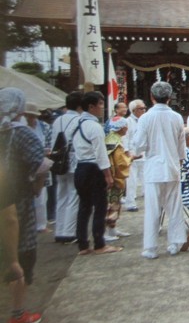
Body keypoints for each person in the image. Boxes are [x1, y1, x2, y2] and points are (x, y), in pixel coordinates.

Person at [0, 88, 45, 323]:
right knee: (21, 250)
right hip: (17, 198)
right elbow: (40, 164)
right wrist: (38, 186)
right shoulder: (21, 133)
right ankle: (17, 312)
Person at [131, 82, 186, 259]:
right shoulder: (177, 117)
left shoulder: (145, 118)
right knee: (174, 207)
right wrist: (179, 162)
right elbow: (181, 146)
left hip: (153, 168)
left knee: (152, 209)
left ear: (152, 97)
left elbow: (139, 145)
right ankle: (175, 243)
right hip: (172, 167)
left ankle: (150, 247)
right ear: (169, 97)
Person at [73, 91, 122, 255]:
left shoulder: (77, 124)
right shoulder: (94, 127)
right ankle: (99, 243)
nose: (102, 107)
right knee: (100, 206)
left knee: (84, 207)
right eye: (100, 104)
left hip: (80, 167)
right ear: (91, 107)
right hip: (94, 168)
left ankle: (83, 244)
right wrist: (108, 175)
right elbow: (101, 154)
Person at [51, 91, 82, 243]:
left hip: (58, 161)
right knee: (74, 194)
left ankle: (59, 230)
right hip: (73, 161)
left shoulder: (58, 120)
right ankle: (69, 232)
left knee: (61, 194)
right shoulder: (79, 120)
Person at [23, 102, 52, 233]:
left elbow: (50, 144)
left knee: (42, 197)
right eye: (28, 115)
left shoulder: (44, 127)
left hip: (41, 163)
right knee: (27, 196)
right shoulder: (22, 128)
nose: (30, 118)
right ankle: (30, 224)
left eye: (32, 116)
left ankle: (41, 224)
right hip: (26, 165)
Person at [104, 117, 132, 241]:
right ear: (121, 127)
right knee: (111, 204)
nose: (127, 128)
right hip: (114, 177)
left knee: (115, 203)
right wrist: (131, 158)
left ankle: (112, 228)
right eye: (125, 126)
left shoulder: (112, 138)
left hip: (114, 176)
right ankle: (106, 231)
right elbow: (120, 162)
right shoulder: (115, 141)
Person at [123, 99, 146, 212]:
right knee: (131, 181)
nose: (143, 110)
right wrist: (127, 153)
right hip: (132, 155)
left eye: (144, 108)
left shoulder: (145, 120)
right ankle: (130, 203)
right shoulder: (127, 122)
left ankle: (147, 197)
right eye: (141, 109)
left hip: (144, 154)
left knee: (146, 178)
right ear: (133, 110)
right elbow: (125, 138)